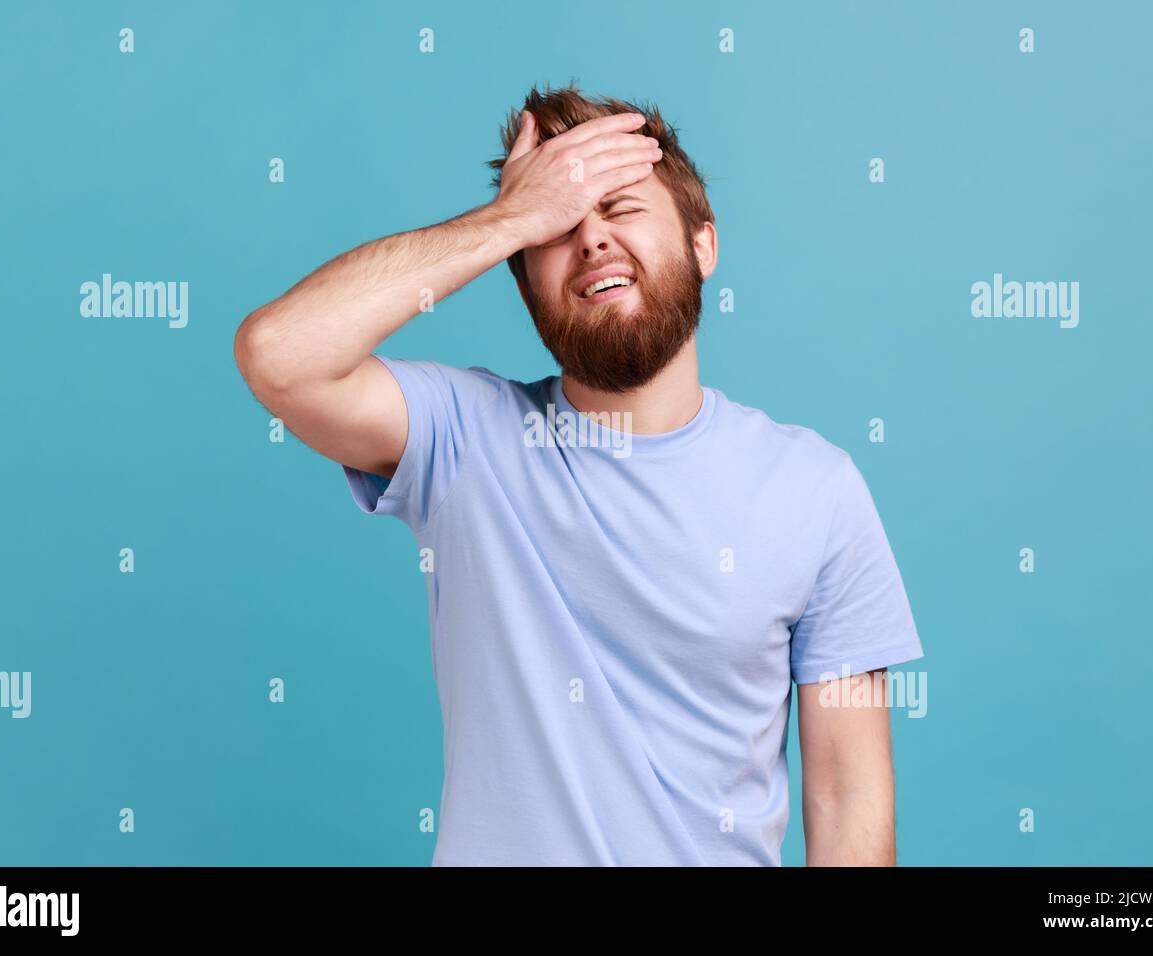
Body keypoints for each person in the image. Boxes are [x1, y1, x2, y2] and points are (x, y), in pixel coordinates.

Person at [234, 84, 924, 866]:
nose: (591, 239)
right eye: (561, 225)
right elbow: (278, 355)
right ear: (525, 284)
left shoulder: (819, 490)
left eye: (621, 206)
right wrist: (509, 219)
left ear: (704, 245)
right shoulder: (463, 437)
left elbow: (849, 795)